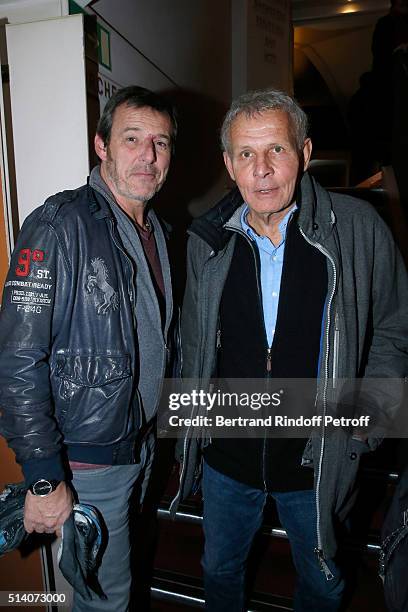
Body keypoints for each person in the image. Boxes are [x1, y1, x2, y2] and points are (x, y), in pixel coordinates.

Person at [172, 88, 408, 611]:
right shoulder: (206, 241)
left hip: (318, 458)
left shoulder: (358, 229)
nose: (262, 169)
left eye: (276, 150)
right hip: (228, 454)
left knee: (322, 584)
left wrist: (369, 418)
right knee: (219, 571)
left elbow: (395, 330)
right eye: (246, 154)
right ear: (229, 165)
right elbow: (193, 343)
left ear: (303, 154)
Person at [0, 85, 176, 610]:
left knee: (106, 590)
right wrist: (43, 474)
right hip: (87, 458)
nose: (148, 155)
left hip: (137, 445)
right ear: (101, 146)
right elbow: (16, 360)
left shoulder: (159, 231)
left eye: (161, 143)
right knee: (105, 600)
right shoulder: (58, 224)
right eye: (132, 139)